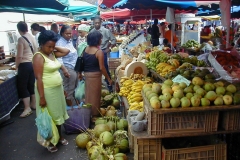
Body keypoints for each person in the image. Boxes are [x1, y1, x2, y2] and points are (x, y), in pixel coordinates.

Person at [32, 30, 70, 153]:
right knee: (49, 117)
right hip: (46, 91)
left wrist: (53, 46)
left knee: (58, 114)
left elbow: (66, 51)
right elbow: (38, 78)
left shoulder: (52, 53)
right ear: (41, 44)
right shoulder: (38, 56)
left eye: (53, 46)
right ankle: (49, 141)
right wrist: (42, 97)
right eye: (48, 46)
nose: (51, 48)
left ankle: (59, 137)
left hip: (57, 89)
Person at [78, 30, 113, 119]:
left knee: (89, 95)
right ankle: (94, 115)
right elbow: (102, 67)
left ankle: (88, 113)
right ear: (97, 40)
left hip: (87, 75)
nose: (101, 40)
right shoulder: (98, 52)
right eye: (100, 39)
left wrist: (79, 73)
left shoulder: (86, 49)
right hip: (95, 76)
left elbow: (81, 62)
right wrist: (108, 78)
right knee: (95, 96)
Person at [16, 21, 38, 117]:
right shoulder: (31, 37)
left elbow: (19, 56)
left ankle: (27, 108)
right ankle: (34, 104)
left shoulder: (21, 39)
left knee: (22, 86)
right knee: (30, 85)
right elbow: (36, 51)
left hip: (24, 65)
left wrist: (16, 67)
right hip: (32, 64)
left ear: (19, 29)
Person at [91, 16, 116, 92]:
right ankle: (97, 86)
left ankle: (109, 85)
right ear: (93, 23)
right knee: (96, 69)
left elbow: (114, 40)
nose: (97, 24)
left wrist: (109, 49)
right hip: (94, 53)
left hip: (103, 52)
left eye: (98, 23)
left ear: (101, 23)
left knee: (104, 68)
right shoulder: (92, 32)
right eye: (96, 23)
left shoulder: (106, 31)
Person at [56, 25, 78, 106]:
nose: (69, 35)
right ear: (62, 33)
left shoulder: (69, 41)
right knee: (69, 90)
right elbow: (59, 58)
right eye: (67, 34)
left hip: (73, 68)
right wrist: (64, 69)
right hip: (67, 68)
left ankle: (74, 107)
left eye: (70, 33)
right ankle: (70, 108)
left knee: (74, 88)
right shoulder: (60, 43)